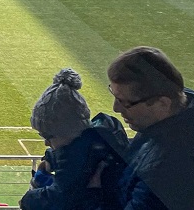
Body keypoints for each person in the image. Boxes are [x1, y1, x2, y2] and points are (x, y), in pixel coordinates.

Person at [107, 46, 194, 209]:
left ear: (162, 103)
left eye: (125, 102)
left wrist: (93, 189)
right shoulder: (187, 103)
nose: (116, 108)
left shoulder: (166, 173)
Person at [19, 68, 128, 210]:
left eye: (48, 136)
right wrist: (52, 157)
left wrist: (28, 200)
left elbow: (58, 198)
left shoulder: (75, 161)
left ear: (66, 131)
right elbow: (74, 149)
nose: (46, 142)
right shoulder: (99, 136)